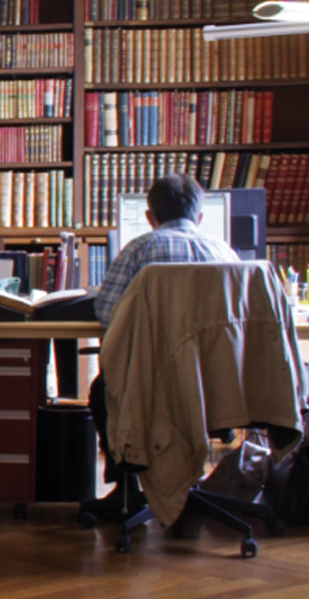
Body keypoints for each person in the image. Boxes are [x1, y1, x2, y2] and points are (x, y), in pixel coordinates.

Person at [88, 172, 236, 458]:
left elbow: (108, 314)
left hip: (148, 378)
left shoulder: (138, 249)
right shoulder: (226, 254)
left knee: (100, 393)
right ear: (201, 217)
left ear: (149, 216)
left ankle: (126, 481)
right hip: (215, 380)